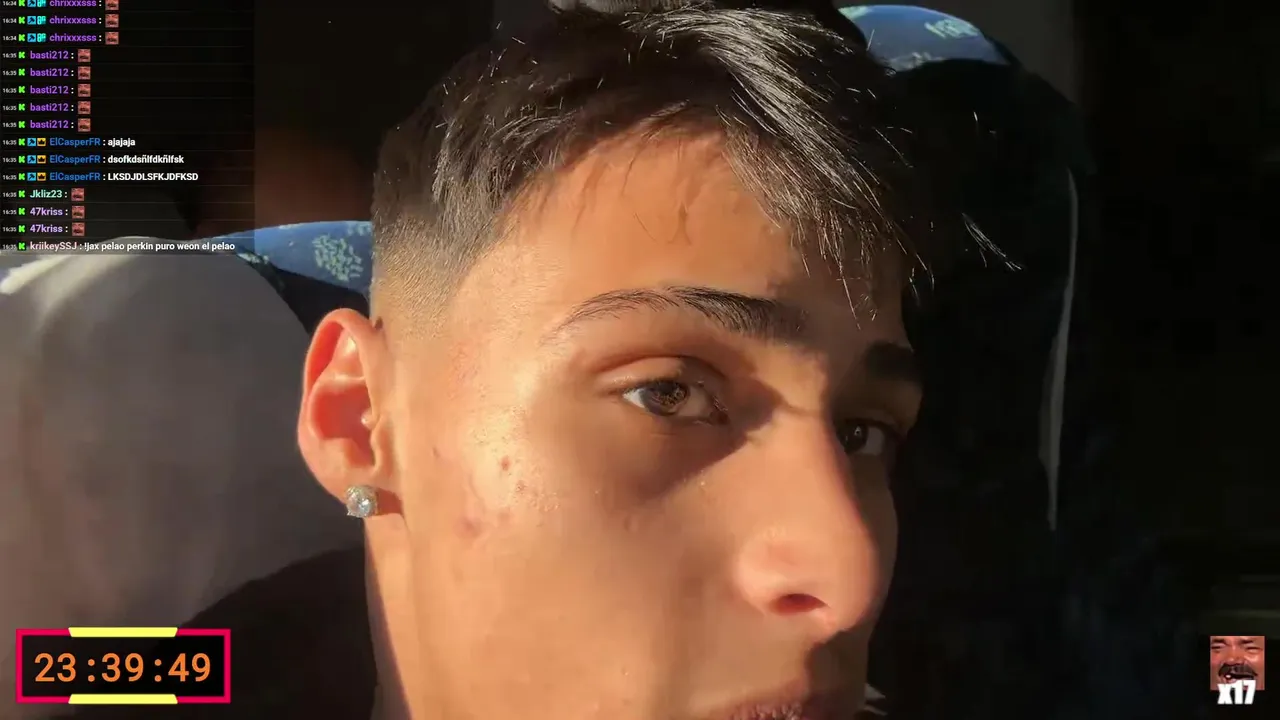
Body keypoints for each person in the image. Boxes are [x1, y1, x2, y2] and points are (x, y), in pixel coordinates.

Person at [71, 4, 955, 718]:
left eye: (863, 433)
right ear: (360, 418)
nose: (851, 577)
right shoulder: (173, 671)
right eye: (669, 393)